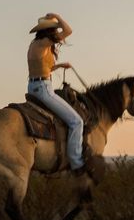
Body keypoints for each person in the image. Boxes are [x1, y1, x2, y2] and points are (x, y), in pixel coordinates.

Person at [27, 13, 88, 175]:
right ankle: (76, 163)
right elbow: (68, 30)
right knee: (77, 121)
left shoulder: (36, 44)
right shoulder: (45, 42)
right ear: (49, 30)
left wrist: (59, 65)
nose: (57, 31)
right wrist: (57, 16)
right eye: (54, 29)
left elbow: (41, 67)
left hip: (34, 86)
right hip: (44, 89)